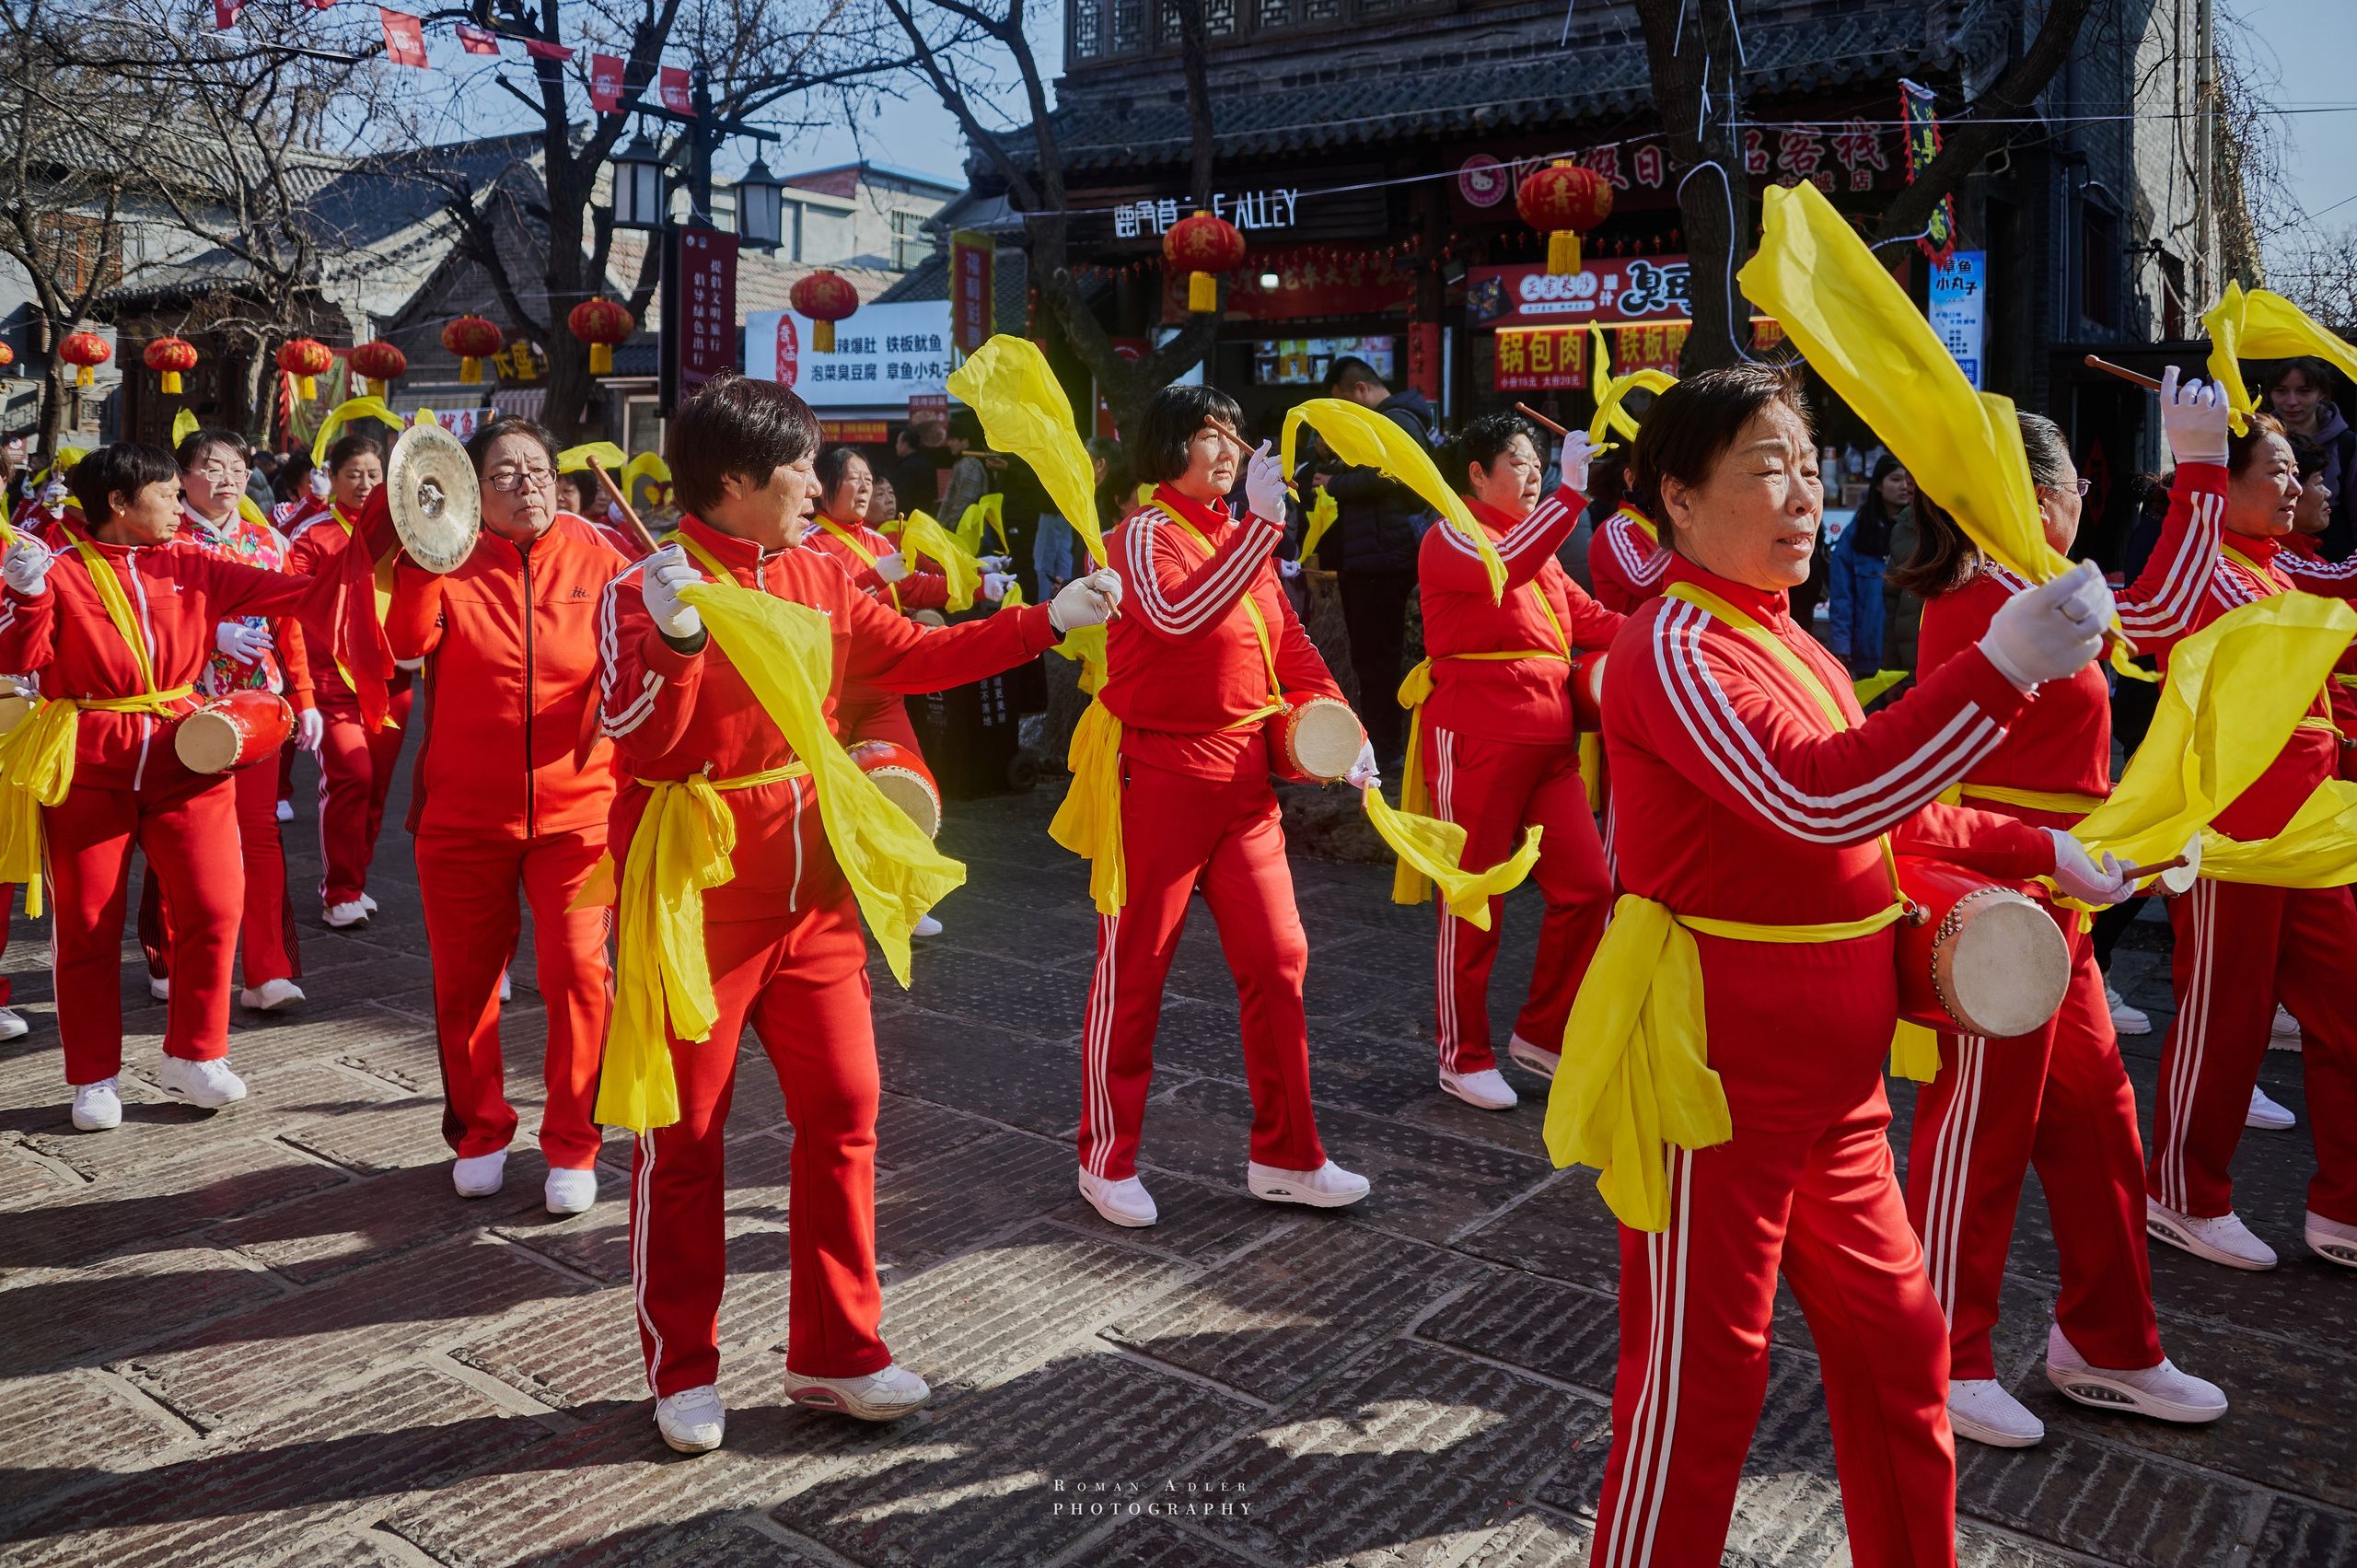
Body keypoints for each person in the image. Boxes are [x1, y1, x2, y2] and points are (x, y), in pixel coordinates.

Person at [1582, 366, 2133, 1566]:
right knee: (1697, 1394)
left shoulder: (1799, 650)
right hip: (1711, 1080)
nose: (1799, 495)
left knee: (1902, 1362)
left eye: (1811, 469)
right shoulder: (1670, 646)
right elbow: (1817, 799)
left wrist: (2039, 846)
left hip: (1838, 1088)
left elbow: (1898, 813)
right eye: (1764, 468)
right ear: (1675, 497)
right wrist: (2000, 670)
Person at [596, 373, 1119, 1453]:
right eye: (798, 464)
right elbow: (642, 741)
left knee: (845, 1112)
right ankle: (682, 1366)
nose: (816, 481)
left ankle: (837, 1351)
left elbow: (908, 656)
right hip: (699, 890)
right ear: (736, 479)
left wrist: (1038, 623)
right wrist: (676, 645)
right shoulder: (646, 585)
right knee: (683, 1136)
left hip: (816, 883)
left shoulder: (822, 568)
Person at [1887, 411, 2226, 1449]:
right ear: (2041, 497)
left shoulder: (2018, 587)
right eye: (2075, 483)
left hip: (2056, 897)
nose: (2084, 498)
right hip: (1993, 901)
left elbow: (2086, 742)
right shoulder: (1990, 599)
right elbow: (2163, 613)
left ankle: (2108, 1343)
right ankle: (1940, 1355)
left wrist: (2142, 837)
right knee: (1976, 1138)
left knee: (2098, 1131)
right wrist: (2201, 473)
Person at [1072, 383, 1375, 1232]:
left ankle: (1288, 1153)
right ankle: (1106, 1156)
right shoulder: (1138, 535)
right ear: (1167, 447)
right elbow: (1174, 616)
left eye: (1235, 436)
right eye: (1212, 435)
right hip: (1157, 776)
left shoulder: (1239, 538)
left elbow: (1291, 644)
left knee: (1280, 961)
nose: (1231, 451)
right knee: (1135, 969)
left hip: (1243, 784)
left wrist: (1340, 724)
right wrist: (1264, 530)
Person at [0, 444, 358, 1132]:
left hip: (185, 758)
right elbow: (21, 664)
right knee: (88, 929)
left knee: (217, 905)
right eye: (167, 494)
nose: (178, 506)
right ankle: (94, 1075)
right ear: (119, 504)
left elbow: (304, 592)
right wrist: (25, 595)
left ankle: (195, 1053)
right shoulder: (59, 569)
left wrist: (376, 536)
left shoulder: (193, 562)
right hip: (90, 763)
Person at [2119, 376, 2357, 1273]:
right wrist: (2200, 472)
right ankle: (2182, 1192)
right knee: (2225, 1022)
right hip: (2231, 839)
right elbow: (2155, 612)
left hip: (2312, 839)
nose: (2295, 487)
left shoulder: (2281, 566)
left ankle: (2344, 1206)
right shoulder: (2205, 564)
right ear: (2234, 482)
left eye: (2300, 471)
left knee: (2347, 1018)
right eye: (2279, 471)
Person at [384, 416, 627, 1214]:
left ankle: (574, 1141)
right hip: (461, 819)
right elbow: (406, 642)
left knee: (579, 977)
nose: (527, 484)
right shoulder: (447, 561)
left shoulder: (600, 557)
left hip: (580, 813)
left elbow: (653, 652)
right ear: (470, 491)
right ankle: (481, 1130)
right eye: (504, 473)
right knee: (465, 986)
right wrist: (425, 545)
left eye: (537, 469)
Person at [1415, 412, 1620, 1108]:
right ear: (1477, 474)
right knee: (1474, 897)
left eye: (1540, 465)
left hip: (1551, 742)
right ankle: (1462, 1051)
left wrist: (1681, 625)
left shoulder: (1544, 548)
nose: (1533, 476)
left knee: (1589, 886)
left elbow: (1593, 621)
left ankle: (1544, 1033)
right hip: (1476, 733)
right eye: (1521, 464)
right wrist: (1569, 493)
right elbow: (1508, 567)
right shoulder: (1449, 534)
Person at [137, 428, 324, 1015]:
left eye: (238, 469)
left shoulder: (267, 540)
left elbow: (292, 623)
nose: (228, 480)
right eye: (212, 468)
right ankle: (168, 955)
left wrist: (308, 696)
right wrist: (206, 628)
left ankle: (267, 969)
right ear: (182, 478)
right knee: (181, 838)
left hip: (258, 711)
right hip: (182, 706)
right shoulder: (160, 538)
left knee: (260, 835)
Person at [287, 434, 410, 928]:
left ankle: (354, 881)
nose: (364, 483)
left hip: (391, 678)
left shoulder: (406, 530)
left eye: (373, 474)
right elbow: (291, 609)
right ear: (331, 478)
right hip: (331, 680)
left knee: (377, 786)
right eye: (353, 474)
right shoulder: (312, 534)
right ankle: (338, 889)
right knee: (351, 777)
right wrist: (302, 690)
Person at [1313, 356, 1434, 765]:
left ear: (1361, 390)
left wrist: (1336, 483)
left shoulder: (1397, 419)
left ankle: (1387, 749)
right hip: (1372, 554)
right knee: (1373, 657)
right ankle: (1385, 745)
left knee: (1377, 657)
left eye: (1345, 403)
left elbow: (1395, 475)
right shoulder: (1394, 418)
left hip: (1382, 558)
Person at [1825, 456, 1911, 677]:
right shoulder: (1857, 533)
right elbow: (1842, 594)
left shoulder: (1921, 532)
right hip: (1868, 650)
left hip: (1911, 652)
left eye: (1908, 480)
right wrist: (1840, 642)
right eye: (1895, 479)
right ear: (1879, 485)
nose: (1903, 486)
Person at [2264, 356, 2354, 558]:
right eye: (2281, 391)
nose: (2292, 401)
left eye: (2304, 392)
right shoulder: (2256, 440)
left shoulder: (2347, 444)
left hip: (2335, 555)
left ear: (2322, 393)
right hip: (2273, 550)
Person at [1586, 482, 1669, 614]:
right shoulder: (1617, 528)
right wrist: (1682, 540)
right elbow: (1644, 584)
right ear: (1630, 478)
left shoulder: (1661, 524)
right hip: (1635, 631)